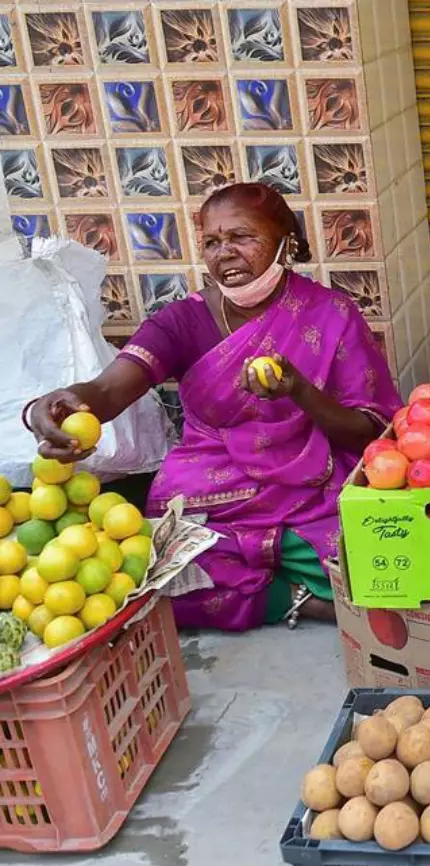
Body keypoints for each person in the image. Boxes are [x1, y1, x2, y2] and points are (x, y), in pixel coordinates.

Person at [25, 182, 401, 631]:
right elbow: (110, 390)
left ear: (287, 243)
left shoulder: (331, 313)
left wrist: (298, 389)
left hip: (311, 483)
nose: (225, 252)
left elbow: (368, 432)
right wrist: (62, 405)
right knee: (147, 579)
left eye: (242, 237)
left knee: (384, 558)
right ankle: (294, 598)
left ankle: (284, 578)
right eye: (211, 242)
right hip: (210, 485)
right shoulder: (183, 321)